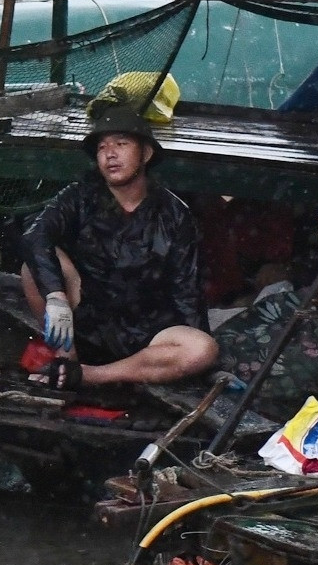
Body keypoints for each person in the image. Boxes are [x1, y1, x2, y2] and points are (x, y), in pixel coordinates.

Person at [19, 102, 218, 388]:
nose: (110, 154)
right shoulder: (79, 196)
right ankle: (68, 360)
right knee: (34, 265)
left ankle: (88, 376)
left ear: (145, 154)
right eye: (102, 147)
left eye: (121, 144)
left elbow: (187, 292)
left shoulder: (176, 214)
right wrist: (56, 298)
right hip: (86, 321)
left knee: (202, 349)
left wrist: (202, 369)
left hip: (147, 333)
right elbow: (35, 235)